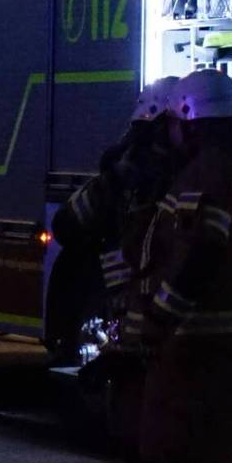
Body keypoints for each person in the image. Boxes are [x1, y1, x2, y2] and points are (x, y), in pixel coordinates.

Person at [137, 69, 232, 463]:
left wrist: (159, 318)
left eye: (175, 124)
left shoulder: (206, 172)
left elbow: (200, 250)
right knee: (222, 447)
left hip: (199, 338)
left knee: (183, 446)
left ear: (191, 121)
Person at [52, 77, 182, 442]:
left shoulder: (129, 172)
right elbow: (69, 224)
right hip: (146, 314)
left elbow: (70, 224)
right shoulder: (146, 174)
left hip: (141, 314)